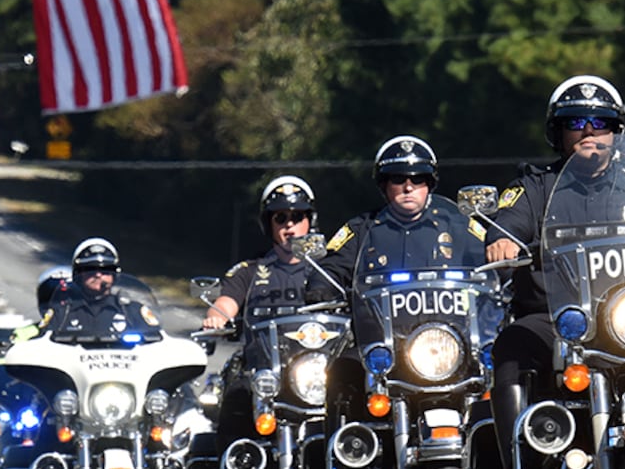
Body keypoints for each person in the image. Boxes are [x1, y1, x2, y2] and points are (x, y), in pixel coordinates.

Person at [485, 75, 625, 469]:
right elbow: (508, 219)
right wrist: (503, 238)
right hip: (556, 319)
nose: (589, 131)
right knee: (512, 344)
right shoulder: (536, 186)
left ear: (616, 132)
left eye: (599, 122)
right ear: (558, 132)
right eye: (576, 123)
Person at [317, 135, 486, 296]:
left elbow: (494, 261)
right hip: (379, 325)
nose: (408, 188)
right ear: (384, 185)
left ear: (429, 184)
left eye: (417, 179)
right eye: (398, 179)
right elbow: (329, 269)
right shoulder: (361, 230)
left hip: (448, 324)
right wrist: (320, 288)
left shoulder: (457, 225)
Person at [202, 175, 322, 330]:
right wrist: (216, 318)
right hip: (264, 352)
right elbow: (225, 304)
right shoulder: (247, 272)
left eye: (297, 217)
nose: (289, 224)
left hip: (320, 350)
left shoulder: (329, 269)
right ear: (267, 224)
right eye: (281, 218)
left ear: (310, 221)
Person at [38, 238, 163, 338]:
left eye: (105, 270)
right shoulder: (63, 312)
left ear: (115, 275)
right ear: (77, 275)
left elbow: (157, 344)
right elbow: (43, 345)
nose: (98, 275)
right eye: (90, 269)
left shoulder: (132, 311)